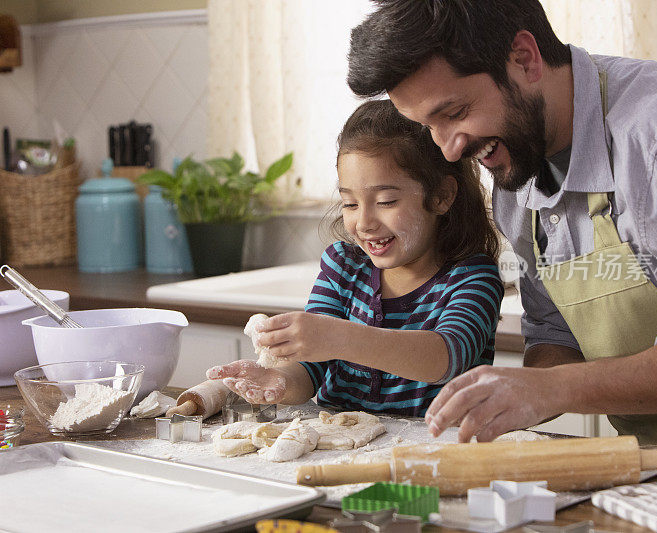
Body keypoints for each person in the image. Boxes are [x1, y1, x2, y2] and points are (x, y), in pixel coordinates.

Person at [346, 0, 657, 446]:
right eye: (428, 126)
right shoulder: (515, 167)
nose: (447, 149)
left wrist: (552, 389)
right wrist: (509, 399)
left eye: (454, 113)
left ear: (525, 59)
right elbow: (555, 329)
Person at [205, 99, 504, 417]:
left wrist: (336, 336)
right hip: (338, 448)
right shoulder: (342, 268)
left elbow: (446, 358)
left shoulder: (472, 278)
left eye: (386, 201)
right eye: (350, 203)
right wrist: (278, 380)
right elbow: (309, 369)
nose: (364, 223)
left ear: (442, 196)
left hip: (434, 454)